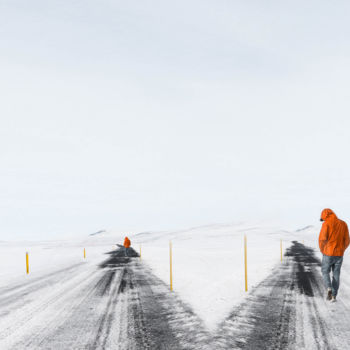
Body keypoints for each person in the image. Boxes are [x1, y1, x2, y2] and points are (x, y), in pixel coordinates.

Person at [319, 208, 350, 302]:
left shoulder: (326, 224)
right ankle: (334, 295)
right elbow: (347, 240)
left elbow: (322, 239)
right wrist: (341, 249)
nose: (323, 220)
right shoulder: (343, 224)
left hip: (328, 253)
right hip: (339, 255)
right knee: (336, 275)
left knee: (325, 272)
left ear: (325, 216)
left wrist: (323, 250)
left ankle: (329, 287)